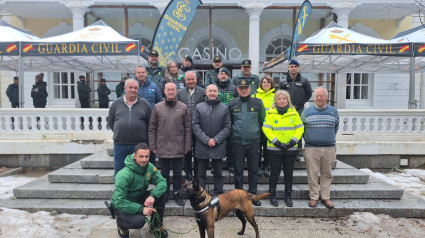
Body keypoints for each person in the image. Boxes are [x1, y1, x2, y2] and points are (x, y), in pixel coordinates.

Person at [109, 143, 168, 238]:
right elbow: (120, 201)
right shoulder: (123, 175)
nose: (144, 160)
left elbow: (162, 182)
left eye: (147, 156)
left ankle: (155, 226)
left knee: (161, 194)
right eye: (141, 156)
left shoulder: (149, 167)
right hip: (122, 204)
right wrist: (141, 209)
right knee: (139, 221)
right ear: (135, 156)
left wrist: (152, 196)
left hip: (138, 197)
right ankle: (121, 224)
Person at [149, 82, 191, 206]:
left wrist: (187, 146)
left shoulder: (183, 107)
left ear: (176, 91)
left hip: (179, 147)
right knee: (164, 174)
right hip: (162, 146)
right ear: (165, 92)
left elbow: (188, 128)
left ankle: (178, 195)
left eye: (173, 89)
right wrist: (153, 146)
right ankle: (165, 195)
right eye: (169, 90)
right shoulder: (157, 107)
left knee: (178, 174)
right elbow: (152, 127)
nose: (171, 92)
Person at [262, 90, 304, 207]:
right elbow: (266, 129)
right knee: (274, 173)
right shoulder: (270, 113)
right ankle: (272, 195)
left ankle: (288, 196)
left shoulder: (294, 113)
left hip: (290, 149)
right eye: (279, 99)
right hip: (274, 149)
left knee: (288, 173)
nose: (281, 101)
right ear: (275, 100)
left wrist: (292, 142)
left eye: (284, 98)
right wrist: (277, 143)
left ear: (288, 100)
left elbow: (300, 128)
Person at [228, 79, 265, 206]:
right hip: (237, 142)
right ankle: (239, 197)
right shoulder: (232, 104)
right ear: (237, 89)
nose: (244, 90)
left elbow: (262, 122)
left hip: (254, 142)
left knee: (253, 170)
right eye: (241, 88)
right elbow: (229, 122)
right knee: (238, 170)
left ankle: (253, 196)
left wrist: (257, 136)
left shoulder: (257, 103)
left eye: (246, 88)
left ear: (250, 89)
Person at [301, 87, 339, 209]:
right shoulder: (306, 112)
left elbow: (335, 127)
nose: (319, 98)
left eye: (322, 95)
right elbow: (302, 128)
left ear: (326, 97)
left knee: (327, 173)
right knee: (312, 174)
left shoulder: (334, 111)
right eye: (317, 96)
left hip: (329, 148)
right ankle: (313, 197)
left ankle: (325, 197)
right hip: (311, 148)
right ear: (314, 97)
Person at [192, 84, 231, 196]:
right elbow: (195, 125)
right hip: (202, 145)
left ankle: (218, 193)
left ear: (217, 92)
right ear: (206, 93)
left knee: (218, 172)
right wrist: (206, 140)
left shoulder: (224, 108)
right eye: (210, 91)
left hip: (218, 146)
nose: (212, 93)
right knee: (201, 173)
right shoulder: (199, 107)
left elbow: (227, 126)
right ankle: (201, 193)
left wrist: (216, 139)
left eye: (214, 91)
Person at [108, 78, 152, 176]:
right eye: (130, 87)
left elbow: (149, 123)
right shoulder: (115, 104)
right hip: (120, 144)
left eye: (135, 88)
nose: (133, 90)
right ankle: (120, 191)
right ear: (125, 88)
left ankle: (138, 191)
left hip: (138, 145)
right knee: (119, 171)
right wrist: (119, 132)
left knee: (139, 171)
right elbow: (111, 122)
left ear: (138, 89)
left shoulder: (145, 104)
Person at [278, 59, 312, 160]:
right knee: (287, 128)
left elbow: (309, 94)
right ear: (288, 68)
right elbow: (279, 95)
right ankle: (285, 148)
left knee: (298, 129)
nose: (293, 68)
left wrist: (301, 102)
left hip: (299, 109)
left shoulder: (304, 80)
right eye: (291, 66)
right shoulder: (283, 82)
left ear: (298, 68)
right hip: (287, 110)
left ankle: (297, 151)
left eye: (295, 66)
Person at [177, 71, 206, 178]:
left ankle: (198, 173)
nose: (190, 81)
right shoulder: (179, 93)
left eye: (192, 79)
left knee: (198, 151)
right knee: (186, 151)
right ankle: (188, 173)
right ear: (185, 80)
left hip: (199, 127)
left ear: (196, 80)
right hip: (185, 127)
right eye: (188, 79)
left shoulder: (203, 92)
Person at [253, 75, 276, 177]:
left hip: (270, 126)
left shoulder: (275, 96)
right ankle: (258, 167)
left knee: (267, 148)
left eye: (268, 82)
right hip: (258, 125)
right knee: (257, 148)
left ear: (271, 84)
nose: (266, 84)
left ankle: (266, 166)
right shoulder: (255, 95)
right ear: (261, 84)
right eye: (264, 82)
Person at [216, 67, 237, 173]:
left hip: (230, 119)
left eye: (225, 74)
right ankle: (216, 165)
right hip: (217, 119)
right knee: (217, 142)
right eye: (221, 74)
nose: (223, 75)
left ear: (229, 76)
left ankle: (231, 163)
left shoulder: (234, 88)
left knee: (230, 144)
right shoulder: (214, 87)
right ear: (218, 76)